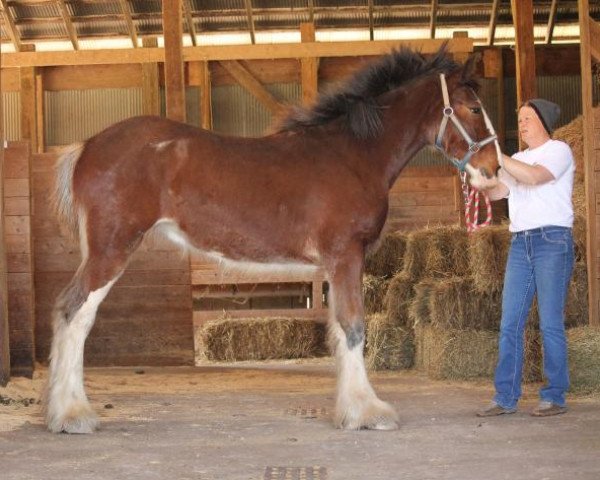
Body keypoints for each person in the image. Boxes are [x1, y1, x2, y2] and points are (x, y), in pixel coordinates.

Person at [477, 98, 575, 417]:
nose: (521, 124)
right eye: (519, 119)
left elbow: (534, 178)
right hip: (521, 242)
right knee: (510, 323)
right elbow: (498, 193)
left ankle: (555, 395)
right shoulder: (517, 158)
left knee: (549, 323)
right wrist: (479, 174)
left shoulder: (559, 151)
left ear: (544, 121)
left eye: (528, 118)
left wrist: (498, 156)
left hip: (552, 240)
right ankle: (505, 397)